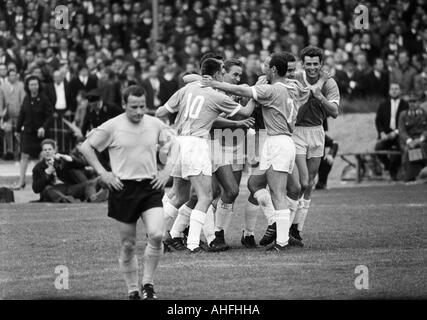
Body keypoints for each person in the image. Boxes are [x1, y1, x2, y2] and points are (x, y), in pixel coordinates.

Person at [202, 53, 317, 251]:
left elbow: (241, 91)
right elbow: (305, 92)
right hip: (284, 141)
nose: (262, 67)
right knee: (254, 184)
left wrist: (216, 84)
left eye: (266, 65)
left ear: (273, 70)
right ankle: (270, 228)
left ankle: (281, 240)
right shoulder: (293, 87)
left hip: (276, 141)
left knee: (279, 193)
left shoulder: (270, 90)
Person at [79, 85, 176, 300]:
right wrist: (103, 173)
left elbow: (175, 144)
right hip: (123, 188)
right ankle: (132, 289)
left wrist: (167, 170)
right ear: (124, 105)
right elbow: (86, 147)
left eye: (143, 106)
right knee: (128, 244)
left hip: (150, 187)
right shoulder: (112, 126)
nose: (140, 111)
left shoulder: (154, 123)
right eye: (134, 107)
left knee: (157, 235)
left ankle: (148, 285)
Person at [156, 58, 255, 253]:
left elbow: (160, 111)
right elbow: (245, 112)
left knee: (179, 195)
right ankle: (193, 243)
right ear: (219, 73)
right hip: (198, 144)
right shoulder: (216, 95)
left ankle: (157, 235)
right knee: (205, 196)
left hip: (179, 141)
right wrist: (256, 94)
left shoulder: (188, 88)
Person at [287, 46, 340, 245]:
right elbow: (302, 97)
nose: (311, 67)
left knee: (309, 183)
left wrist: (321, 96)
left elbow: (334, 112)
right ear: (302, 64)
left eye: (315, 64)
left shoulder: (330, 83)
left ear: (321, 64)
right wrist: (319, 85)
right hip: (297, 132)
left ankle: (296, 229)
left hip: (317, 131)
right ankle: (283, 229)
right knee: (302, 183)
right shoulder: (295, 79)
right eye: (308, 64)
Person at [32, 139, 106, 203]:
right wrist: (47, 173)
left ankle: (93, 198)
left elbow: (82, 164)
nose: (47, 152)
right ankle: (69, 200)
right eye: (45, 150)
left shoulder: (61, 161)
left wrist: (71, 159)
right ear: (42, 152)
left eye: (49, 149)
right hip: (54, 191)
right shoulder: (38, 168)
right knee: (47, 189)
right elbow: (36, 189)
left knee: (90, 183)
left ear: (54, 150)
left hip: (70, 188)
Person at [14, 75, 53, 189]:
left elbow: (49, 116)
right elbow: (22, 114)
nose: (34, 87)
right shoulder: (26, 98)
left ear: (39, 85)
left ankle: (43, 181)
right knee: (24, 156)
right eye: (31, 85)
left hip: (41, 133)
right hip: (28, 132)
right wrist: (17, 130)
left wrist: (43, 127)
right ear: (28, 86)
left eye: (35, 84)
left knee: (43, 156)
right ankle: (21, 181)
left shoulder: (44, 98)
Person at [375, 83, 409, 180]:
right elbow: (378, 121)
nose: (394, 91)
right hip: (386, 135)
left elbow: (407, 121)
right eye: (392, 89)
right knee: (378, 148)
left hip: (400, 135)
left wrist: (397, 132)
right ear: (389, 91)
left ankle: (396, 171)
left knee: (402, 149)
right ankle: (390, 168)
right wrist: (381, 133)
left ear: (400, 91)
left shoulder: (405, 105)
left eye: (396, 89)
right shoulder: (383, 104)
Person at [398, 93, 427, 181]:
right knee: (409, 150)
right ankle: (411, 176)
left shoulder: (424, 113)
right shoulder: (403, 114)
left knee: (421, 147)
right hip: (408, 140)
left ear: (418, 102)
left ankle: (422, 173)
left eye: (414, 101)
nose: (412, 104)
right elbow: (401, 130)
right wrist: (409, 141)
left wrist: (421, 139)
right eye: (410, 102)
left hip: (422, 140)